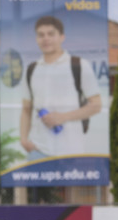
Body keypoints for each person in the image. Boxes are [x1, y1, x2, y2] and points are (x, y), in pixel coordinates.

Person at [20, 15, 102, 160]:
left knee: (73, 185)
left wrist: (62, 117)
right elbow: (26, 108)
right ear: (36, 39)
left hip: (71, 150)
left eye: (51, 34)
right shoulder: (31, 69)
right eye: (41, 35)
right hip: (38, 151)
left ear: (62, 37)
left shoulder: (79, 65)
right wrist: (23, 139)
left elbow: (96, 105)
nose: (46, 38)